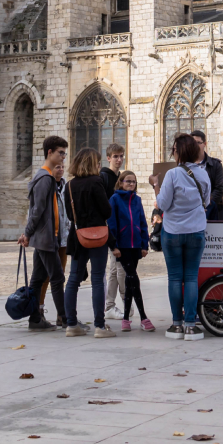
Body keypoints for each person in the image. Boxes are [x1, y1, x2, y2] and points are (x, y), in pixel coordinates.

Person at [150, 133, 210, 341]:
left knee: (175, 278)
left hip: (173, 232)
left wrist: (155, 186)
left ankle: (177, 324)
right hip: (196, 230)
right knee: (191, 277)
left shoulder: (173, 174)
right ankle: (191, 326)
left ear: (178, 151)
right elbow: (207, 201)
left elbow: (163, 204)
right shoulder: (203, 174)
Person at [63, 148, 116, 338]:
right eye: (97, 162)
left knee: (73, 279)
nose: (99, 165)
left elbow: (70, 215)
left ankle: (71, 324)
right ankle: (99, 326)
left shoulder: (69, 185)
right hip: (97, 235)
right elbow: (107, 211)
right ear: (91, 163)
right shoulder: (96, 182)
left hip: (78, 237)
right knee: (97, 279)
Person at [18, 136, 68, 331]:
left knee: (38, 279)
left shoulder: (46, 177)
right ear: (50, 153)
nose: (63, 157)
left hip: (47, 236)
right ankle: (66, 319)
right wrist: (27, 233)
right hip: (46, 238)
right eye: (60, 153)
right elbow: (36, 211)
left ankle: (35, 319)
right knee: (57, 278)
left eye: (64, 153)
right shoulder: (45, 178)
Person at [108, 171, 154, 332]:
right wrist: (113, 246)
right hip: (123, 246)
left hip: (136, 246)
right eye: (128, 181)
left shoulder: (137, 200)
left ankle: (126, 319)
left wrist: (144, 245)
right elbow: (111, 224)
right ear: (121, 182)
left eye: (133, 182)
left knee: (129, 281)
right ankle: (143, 317)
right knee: (133, 278)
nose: (131, 184)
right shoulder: (114, 199)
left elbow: (142, 223)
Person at [102, 143, 127, 317]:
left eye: (121, 156)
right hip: (109, 228)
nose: (119, 160)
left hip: (121, 227)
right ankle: (126, 302)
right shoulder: (104, 177)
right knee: (120, 268)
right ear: (109, 158)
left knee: (114, 269)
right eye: (116, 156)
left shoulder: (121, 177)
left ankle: (110, 305)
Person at [191, 130, 223, 223]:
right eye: (192, 143)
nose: (195, 146)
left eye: (198, 143)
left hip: (213, 213)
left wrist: (205, 205)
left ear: (204, 144)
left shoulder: (215, 164)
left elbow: (219, 189)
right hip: (192, 215)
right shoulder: (185, 167)